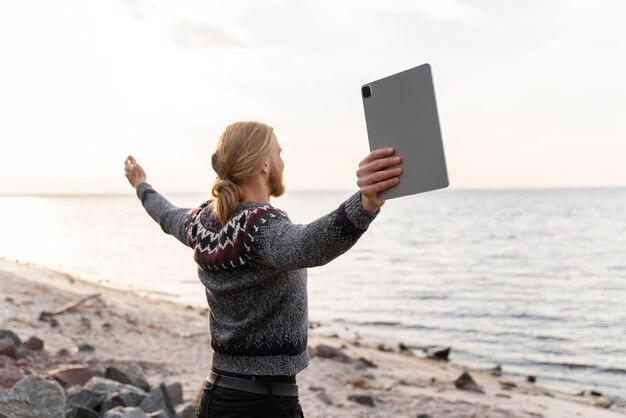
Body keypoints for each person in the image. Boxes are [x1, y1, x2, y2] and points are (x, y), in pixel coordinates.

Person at [123, 121, 402, 417]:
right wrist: (365, 203)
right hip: (264, 405)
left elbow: (166, 215)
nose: (283, 161)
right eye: (279, 154)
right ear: (264, 165)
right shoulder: (261, 228)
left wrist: (142, 186)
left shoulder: (200, 224)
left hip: (217, 396)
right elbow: (308, 245)